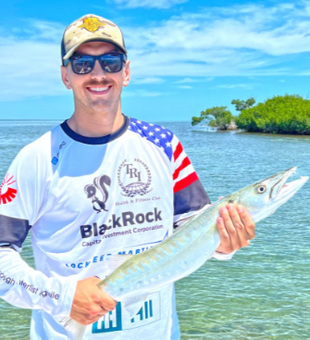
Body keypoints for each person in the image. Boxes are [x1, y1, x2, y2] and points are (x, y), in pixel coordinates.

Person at [0, 14, 255, 340]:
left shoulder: (164, 145)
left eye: (110, 61)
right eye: (81, 64)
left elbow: (196, 234)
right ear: (65, 76)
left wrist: (226, 243)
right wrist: (62, 296)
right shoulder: (35, 158)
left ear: (127, 71)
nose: (97, 74)